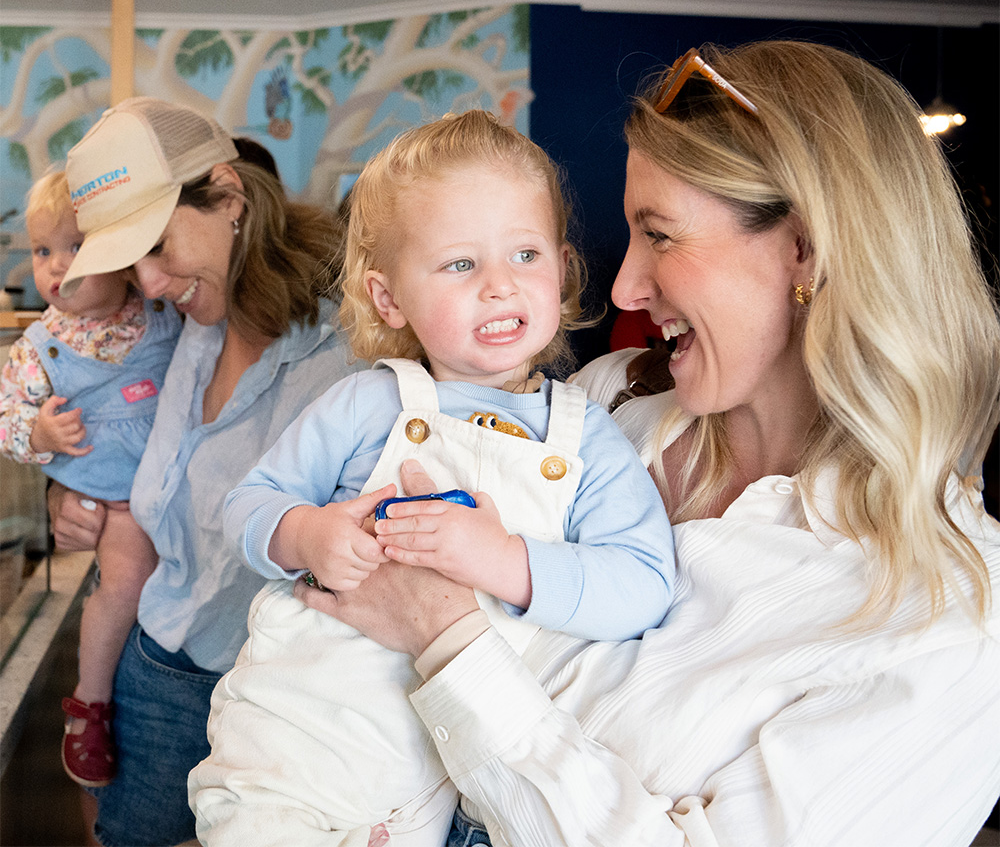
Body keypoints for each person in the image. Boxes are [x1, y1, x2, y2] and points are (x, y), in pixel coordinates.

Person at [291, 41, 1000, 847]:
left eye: (659, 235)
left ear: (806, 247)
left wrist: (447, 638)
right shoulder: (606, 404)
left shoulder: (952, 621)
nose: (623, 287)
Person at [189, 110, 676, 846]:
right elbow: (249, 504)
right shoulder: (368, 401)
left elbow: (644, 584)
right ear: (389, 298)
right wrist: (308, 533)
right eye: (459, 264)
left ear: (564, 266)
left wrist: (502, 559)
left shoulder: (585, 438)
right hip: (296, 740)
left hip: (438, 782)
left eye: (525, 255)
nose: (498, 286)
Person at [46, 97, 356, 847]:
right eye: (131, 262)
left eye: (158, 246)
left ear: (229, 195)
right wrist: (70, 491)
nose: (149, 284)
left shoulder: (353, 342)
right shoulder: (182, 322)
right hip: (155, 659)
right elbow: (130, 454)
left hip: (278, 692)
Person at [0, 169, 180, 788]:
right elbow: (6, 418)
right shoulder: (38, 346)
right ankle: (90, 705)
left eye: (76, 247)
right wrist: (41, 435)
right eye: (43, 250)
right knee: (125, 581)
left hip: (176, 487)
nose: (56, 266)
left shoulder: (163, 314)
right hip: (118, 501)